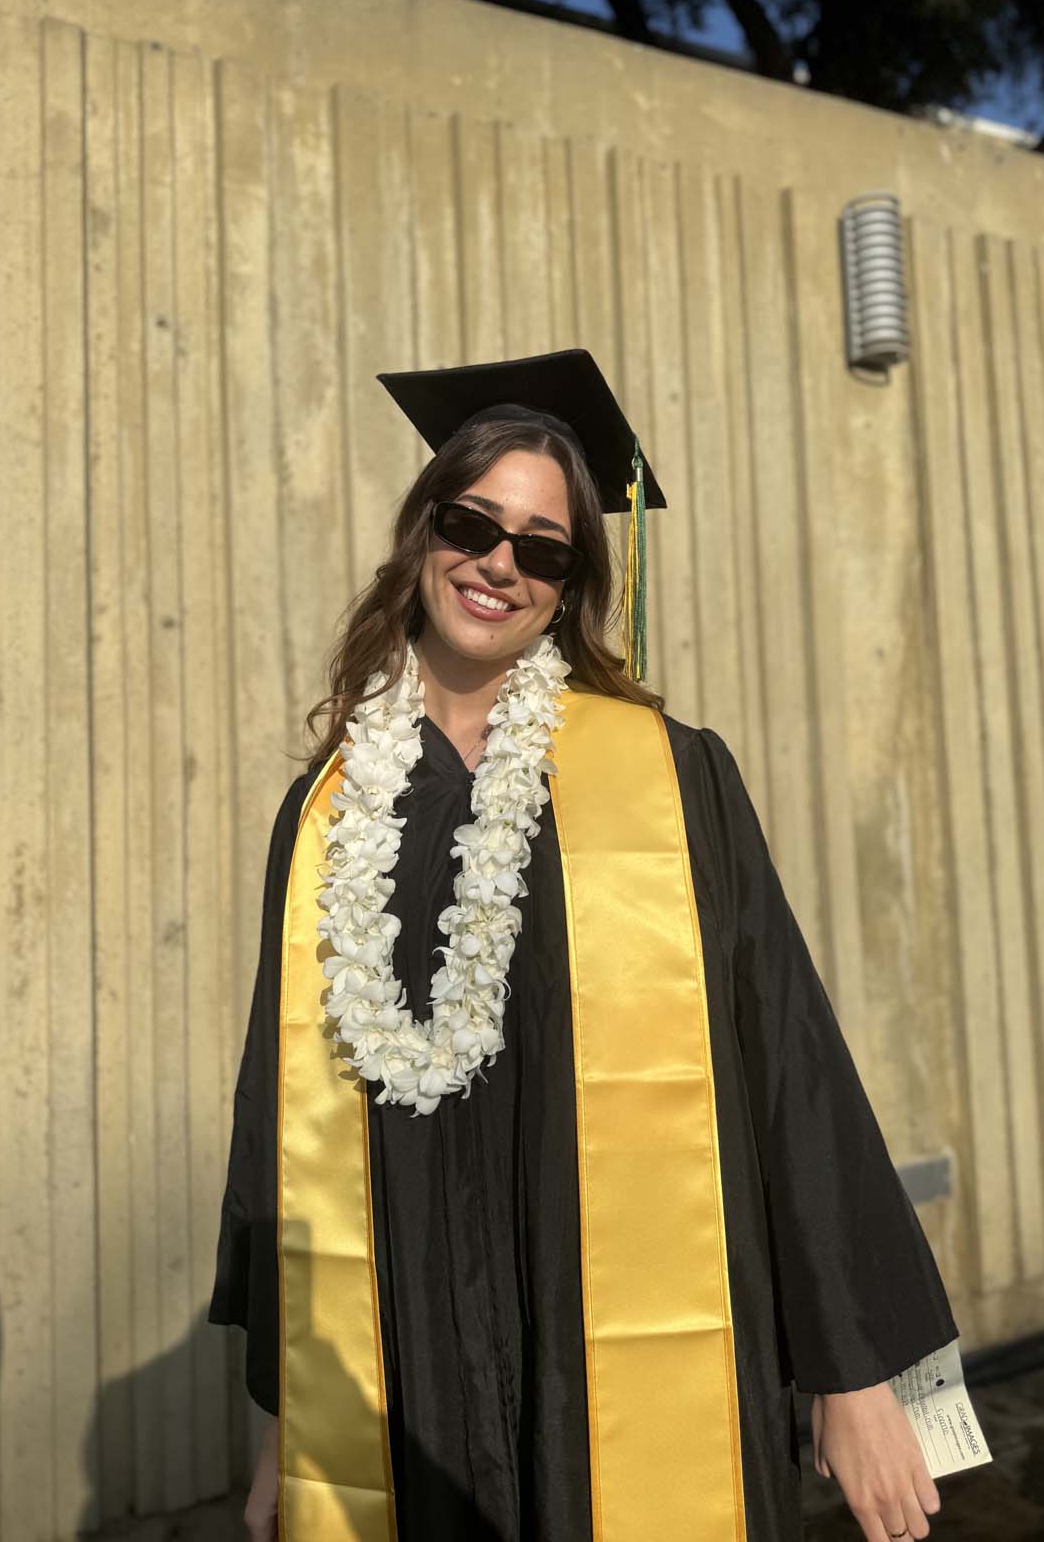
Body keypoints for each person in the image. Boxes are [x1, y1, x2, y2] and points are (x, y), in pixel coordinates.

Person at [209, 349, 958, 1542]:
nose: (499, 563)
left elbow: (786, 1058)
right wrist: (289, 1425)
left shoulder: (669, 777)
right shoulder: (327, 814)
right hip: (409, 1375)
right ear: (422, 533)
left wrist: (853, 1372)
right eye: (472, 524)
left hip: (606, 1361)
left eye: (544, 549)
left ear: (569, 588)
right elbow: (280, 1130)